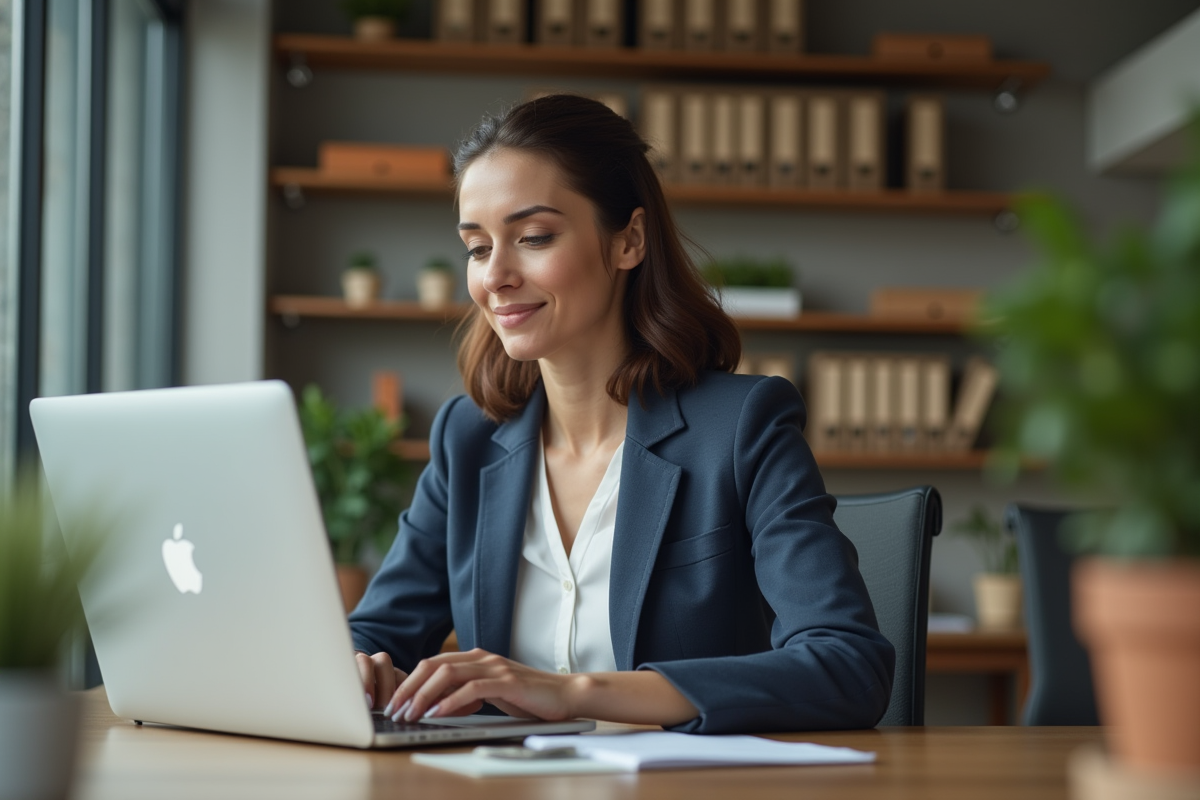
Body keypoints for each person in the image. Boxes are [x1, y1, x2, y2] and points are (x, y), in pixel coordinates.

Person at [348, 94, 894, 734]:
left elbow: (848, 665)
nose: (494, 276)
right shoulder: (467, 439)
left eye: (533, 237)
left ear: (628, 240)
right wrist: (357, 666)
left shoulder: (742, 428)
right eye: (475, 247)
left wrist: (574, 693)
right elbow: (376, 630)